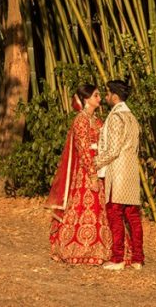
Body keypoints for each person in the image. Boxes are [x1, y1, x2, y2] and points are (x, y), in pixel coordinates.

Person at [47, 84, 112, 264]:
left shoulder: (97, 120)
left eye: (99, 95)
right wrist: (91, 175)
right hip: (86, 171)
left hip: (100, 166)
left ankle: (100, 249)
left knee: (99, 210)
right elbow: (83, 150)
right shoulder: (80, 120)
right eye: (96, 95)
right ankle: (77, 248)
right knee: (83, 208)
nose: (99, 98)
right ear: (86, 99)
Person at [96, 79, 144, 270]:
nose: (105, 97)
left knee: (115, 213)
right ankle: (138, 258)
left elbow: (113, 150)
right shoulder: (132, 117)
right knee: (132, 216)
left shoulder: (116, 117)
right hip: (132, 169)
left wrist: (94, 163)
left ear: (114, 96)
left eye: (107, 94)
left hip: (118, 171)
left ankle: (117, 259)